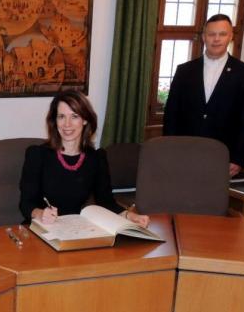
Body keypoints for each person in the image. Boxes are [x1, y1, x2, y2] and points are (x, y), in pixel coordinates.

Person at [19, 91, 149, 226]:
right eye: (61, 117)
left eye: (74, 116)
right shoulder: (37, 155)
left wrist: (129, 215)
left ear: (85, 120)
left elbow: (106, 202)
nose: (67, 124)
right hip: (40, 228)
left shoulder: (96, 159)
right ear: (55, 121)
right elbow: (26, 204)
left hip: (74, 229)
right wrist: (40, 214)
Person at [162, 14, 244, 177]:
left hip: (223, 156)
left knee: (214, 195)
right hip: (184, 152)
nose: (216, 39)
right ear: (203, 37)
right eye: (212, 34)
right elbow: (171, 114)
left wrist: (239, 159)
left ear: (230, 36)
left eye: (222, 34)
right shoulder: (185, 71)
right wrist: (169, 149)